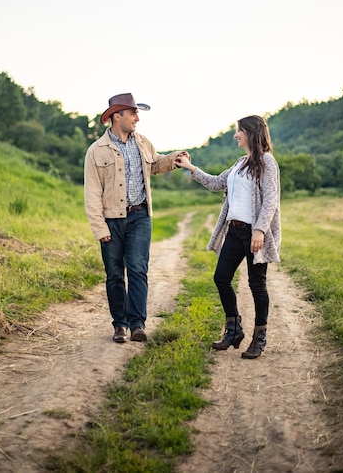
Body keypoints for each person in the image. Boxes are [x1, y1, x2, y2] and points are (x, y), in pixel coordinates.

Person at [84, 93, 189, 344]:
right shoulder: (96, 151)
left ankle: (137, 324)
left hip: (140, 215)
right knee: (115, 274)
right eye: (133, 113)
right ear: (116, 116)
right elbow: (91, 192)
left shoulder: (142, 142)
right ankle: (119, 325)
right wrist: (99, 227)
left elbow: (154, 165)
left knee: (138, 270)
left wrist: (173, 159)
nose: (137, 118)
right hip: (111, 220)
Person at [175, 115, 281, 359]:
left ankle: (259, 337)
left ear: (251, 133)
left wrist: (260, 230)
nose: (236, 135)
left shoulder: (267, 162)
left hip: (254, 233)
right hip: (234, 231)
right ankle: (234, 329)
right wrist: (191, 167)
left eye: (239, 131)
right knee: (221, 277)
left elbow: (270, 200)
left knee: (257, 285)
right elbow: (215, 183)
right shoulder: (239, 163)